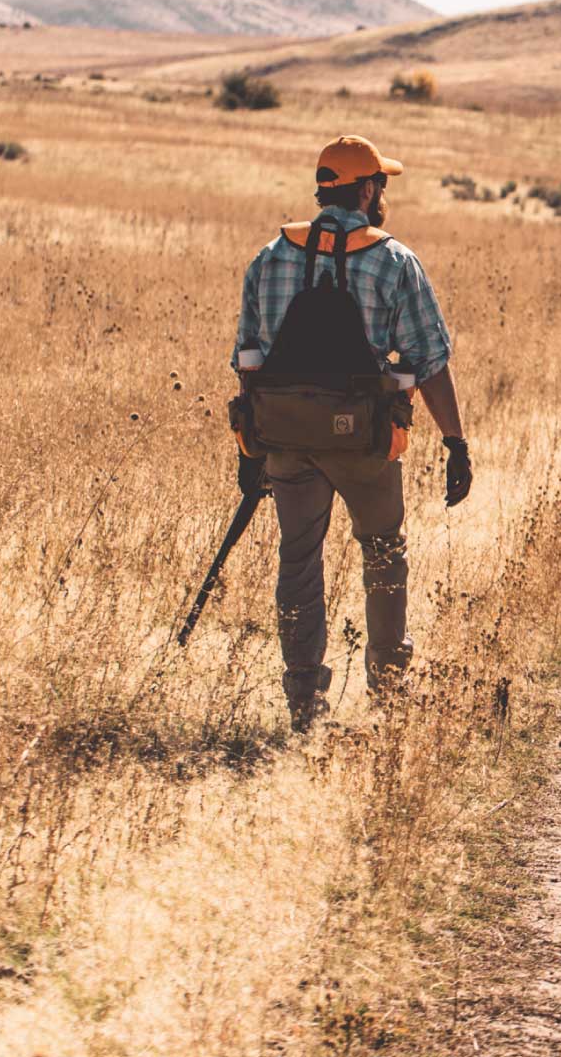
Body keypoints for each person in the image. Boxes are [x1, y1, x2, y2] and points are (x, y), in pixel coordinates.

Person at [231, 135, 472, 730]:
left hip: (286, 440)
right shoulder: (393, 260)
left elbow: (249, 360)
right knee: (385, 554)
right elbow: (430, 361)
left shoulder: (270, 257)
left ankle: (303, 704)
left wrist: (250, 445)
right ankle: (389, 694)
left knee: (298, 562)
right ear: (366, 190)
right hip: (364, 442)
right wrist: (454, 442)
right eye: (380, 184)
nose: (382, 193)